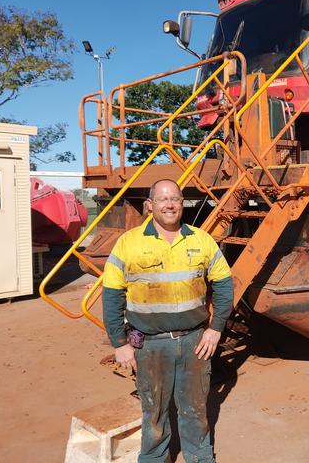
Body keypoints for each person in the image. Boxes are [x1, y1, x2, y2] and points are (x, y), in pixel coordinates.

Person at [102, 179, 233, 463]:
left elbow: (224, 284)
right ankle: (153, 458)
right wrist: (119, 343)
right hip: (150, 345)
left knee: (196, 407)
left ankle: (199, 456)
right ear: (150, 205)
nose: (170, 204)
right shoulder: (128, 243)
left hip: (194, 342)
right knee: (154, 410)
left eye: (175, 198)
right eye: (162, 199)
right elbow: (112, 296)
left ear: (182, 203)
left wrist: (215, 328)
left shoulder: (201, 240)